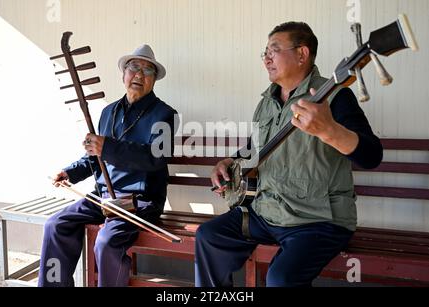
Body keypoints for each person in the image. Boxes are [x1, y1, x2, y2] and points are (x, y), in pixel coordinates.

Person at [195, 22, 383, 287]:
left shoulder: (335, 96)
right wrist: (229, 162)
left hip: (317, 220)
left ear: (302, 54)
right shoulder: (266, 102)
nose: (266, 58)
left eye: (274, 50)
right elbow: (256, 148)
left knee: (281, 279)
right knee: (209, 236)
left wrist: (329, 131)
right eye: (265, 53)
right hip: (266, 211)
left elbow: (371, 155)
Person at [38, 44, 177, 287]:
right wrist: (69, 172)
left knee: (105, 243)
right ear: (124, 73)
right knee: (55, 225)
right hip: (102, 197)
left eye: (148, 71)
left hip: (140, 202)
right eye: (134, 67)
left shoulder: (165, 114)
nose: (139, 75)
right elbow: (94, 158)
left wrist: (108, 147)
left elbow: (157, 157)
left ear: (154, 80)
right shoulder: (108, 112)